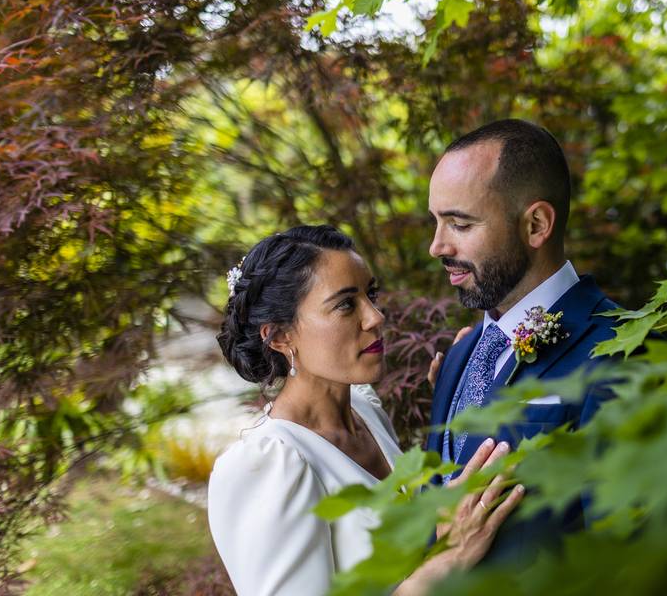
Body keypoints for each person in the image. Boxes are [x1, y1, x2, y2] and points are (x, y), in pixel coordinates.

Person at [208, 225, 524, 596]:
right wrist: (449, 558)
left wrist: (458, 398)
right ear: (280, 336)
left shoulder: (365, 408)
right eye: (345, 304)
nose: (375, 317)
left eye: (370, 295)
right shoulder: (266, 465)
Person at [426, 119, 628, 562]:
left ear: (536, 224)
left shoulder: (620, 352)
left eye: (459, 224)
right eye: (436, 222)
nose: (437, 246)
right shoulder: (461, 354)